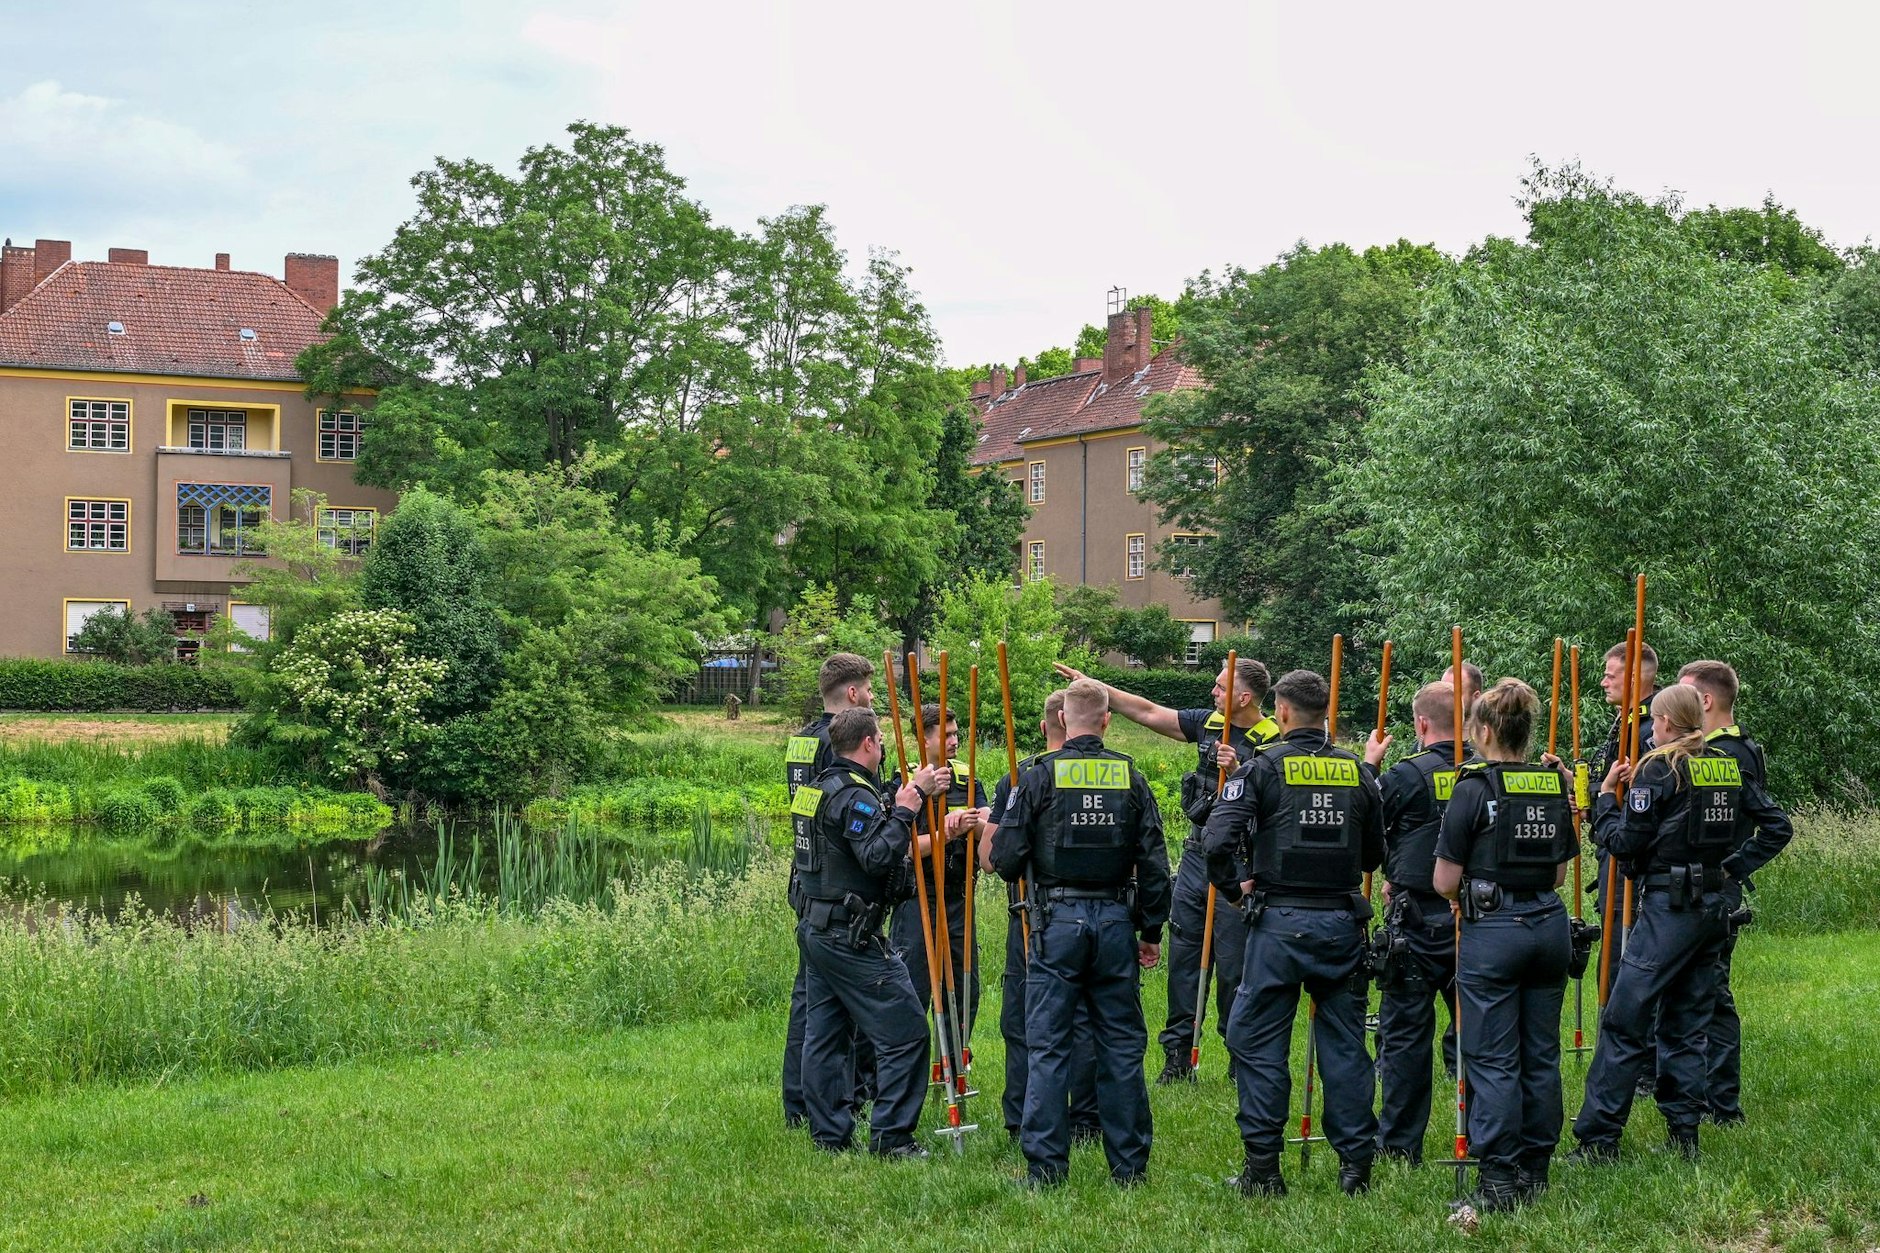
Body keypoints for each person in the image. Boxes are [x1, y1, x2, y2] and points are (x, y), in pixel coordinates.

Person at [1568, 684, 1789, 1163]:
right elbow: (1778, 825)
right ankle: (1684, 1135)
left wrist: (1605, 799)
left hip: (1668, 909)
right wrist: (1732, 866)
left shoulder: (1658, 768)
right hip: (1713, 908)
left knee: (1624, 1022)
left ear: (1665, 721)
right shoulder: (1723, 766)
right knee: (1687, 1024)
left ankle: (1599, 1139)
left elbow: (1625, 842)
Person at [1204, 668, 1385, 1198]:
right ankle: (1356, 1167)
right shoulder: (1357, 771)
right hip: (1341, 925)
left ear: (1281, 712)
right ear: (1323, 712)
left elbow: (1217, 842)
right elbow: (1376, 853)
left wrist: (1237, 894)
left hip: (1278, 925)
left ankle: (1263, 1169)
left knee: (1257, 1042)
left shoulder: (1262, 769)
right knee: (1347, 1046)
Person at [1054, 656, 1277, 1083]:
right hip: (1196, 857)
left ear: (1244, 697)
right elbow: (1149, 711)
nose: (1212, 692)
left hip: (1240, 861)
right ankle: (1178, 1056)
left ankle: (1238, 1056)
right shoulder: (1210, 723)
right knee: (1186, 958)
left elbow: (1274, 807)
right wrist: (1098, 687)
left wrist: (1239, 772)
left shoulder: (1273, 740)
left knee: (1233, 964)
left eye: (1220, 686)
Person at [990, 678, 1172, 1188]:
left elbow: (1004, 860)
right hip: (1116, 920)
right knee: (1120, 1045)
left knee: (1048, 1044)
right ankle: (1130, 1167)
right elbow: (1155, 863)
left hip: (1054, 922)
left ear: (1064, 721)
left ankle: (1046, 1168)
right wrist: (1151, 930)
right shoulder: (1131, 777)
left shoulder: (1039, 776)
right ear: (1108, 720)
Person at [1432, 679, 1578, 1211]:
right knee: (1541, 1053)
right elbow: (1560, 874)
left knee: (1492, 1057)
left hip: (1492, 929)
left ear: (1486, 730)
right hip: (1549, 924)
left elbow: (1445, 881)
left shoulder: (1472, 788)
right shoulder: (1550, 785)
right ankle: (1536, 1171)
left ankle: (1497, 1180)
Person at [793, 708, 947, 1157]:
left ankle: (829, 1137)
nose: (883, 746)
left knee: (824, 1035)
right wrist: (904, 811)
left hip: (817, 927)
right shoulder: (854, 798)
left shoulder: (815, 789)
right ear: (866, 744)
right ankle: (893, 1139)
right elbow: (878, 857)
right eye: (880, 740)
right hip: (850, 935)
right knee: (905, 1031)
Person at [1673, 660, 1793, 1127]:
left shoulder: (1729, 755)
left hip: (1715, 889)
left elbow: (1770, 825)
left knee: (1712, 996)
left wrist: (1732, 867)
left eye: (1684, 696)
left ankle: (1721, 1104)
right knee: (1699, 993)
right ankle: (1702, 1095)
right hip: (1704, 888)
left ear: (1704, 701)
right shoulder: (1733, 748)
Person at [978, 689, 1100, 1144]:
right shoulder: (1112, 771)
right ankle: (1086, 1118)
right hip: (1102, 913)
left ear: (1050, 723)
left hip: (1035, 913)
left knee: (1025, 1016)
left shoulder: (1022, 777)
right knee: (1085, 1017)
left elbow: (990, 860)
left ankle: (1023, 1115)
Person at [1362, 680, 1472, 1164]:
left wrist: (1369, 767)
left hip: (1417, 917)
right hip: (1477, 916)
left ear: (1421, 724)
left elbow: (1367, 826)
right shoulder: (1483, 773)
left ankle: (1400, 1145)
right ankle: (1488, 1134)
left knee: (1406, 1035)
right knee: (1481, 1033)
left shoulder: (1406, 775)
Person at [783, 653, 877, 1130]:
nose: (874, 698)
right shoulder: (835, 748)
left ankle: (799, 1102)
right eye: (870, 690)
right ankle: (839, 1101)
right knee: (835, 1006)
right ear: (853, 694)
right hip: (835, 887)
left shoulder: (800, 742)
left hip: (804, 875)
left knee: (808, 997)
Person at [888, 703, 984, 1073]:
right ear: (922, 739)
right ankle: (903, 1070)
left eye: (956, 733)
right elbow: (900, 849)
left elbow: (986, 828)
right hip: (918, 898)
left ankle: (952, 1064)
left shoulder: (967, 779)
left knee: (965, 987)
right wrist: (945, 833)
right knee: (912, 987)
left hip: (960, 893)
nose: (954, 741)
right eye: (945, 736)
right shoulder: (903, 781)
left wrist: (974, 822)